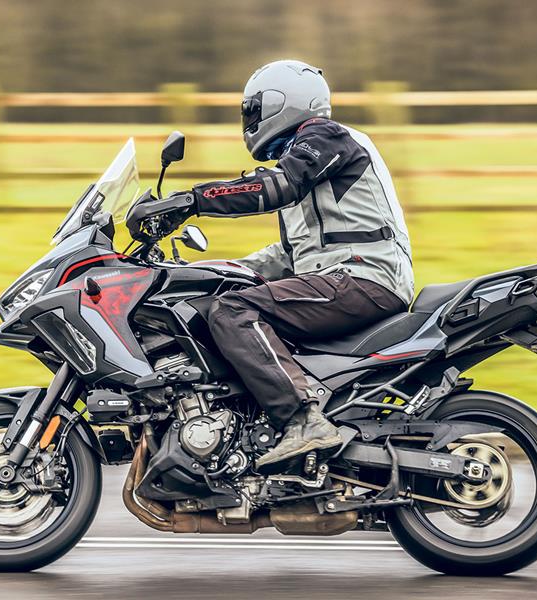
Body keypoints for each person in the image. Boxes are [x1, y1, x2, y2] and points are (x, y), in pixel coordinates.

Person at [128, 60, 414, 467]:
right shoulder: (308, 163)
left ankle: (303, 419)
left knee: (233, 312)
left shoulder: (326, 138)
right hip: (340, 277)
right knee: (225, 298)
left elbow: (276, 186)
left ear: (284, 101)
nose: (249, 120)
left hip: (364, 277)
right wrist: (208, 273)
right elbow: (290, 256)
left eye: (253, 109)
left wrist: (194, 200)